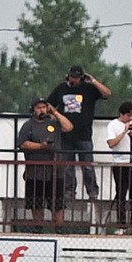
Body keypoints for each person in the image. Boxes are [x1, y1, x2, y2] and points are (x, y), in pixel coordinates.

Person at [47, 65, 111, 200]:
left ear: (81, 78)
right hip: (65, 134)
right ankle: (69, 190)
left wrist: (93, 81)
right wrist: (54, 114)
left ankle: (92, 190)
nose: (73, 80)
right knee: (67, 165)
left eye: (76, 77)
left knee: (87, 164)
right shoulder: (61, 89)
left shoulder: (89, 89)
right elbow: (48, 104)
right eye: (71, 77)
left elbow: (107, 94)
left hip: (84, 134)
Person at [16, 97, 72, 230]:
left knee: (58, 202)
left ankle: (59, 227)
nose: (41, 110)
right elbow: (22, 143)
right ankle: (38, 227)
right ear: (33, 110)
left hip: (55, 170)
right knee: (36, 202)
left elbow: (69, 127)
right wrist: (41, 146)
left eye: (43, 107)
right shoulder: (28, 125)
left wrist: (55, 112)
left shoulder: (54, 123)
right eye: (38, 108)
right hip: (35, 171)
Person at [105, 101, 132, 234]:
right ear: (121, 114)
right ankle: (121, 224)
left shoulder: (131, 126)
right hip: (121, 163)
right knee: (121, 194)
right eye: (128, 115)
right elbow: (111, 143)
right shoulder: (113, 125)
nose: (131, 118)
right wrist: (124, 132)